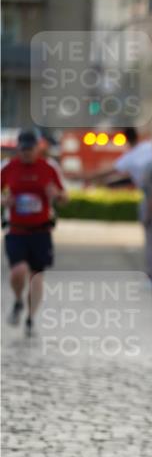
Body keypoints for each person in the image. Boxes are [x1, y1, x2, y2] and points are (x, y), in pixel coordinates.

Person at [1, 129, 67, 334]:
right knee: (18, 271)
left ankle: (30, 318)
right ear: (18, 149)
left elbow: (64, 198)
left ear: (37, 148)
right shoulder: (8, 167)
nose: (26, 153)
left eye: (30, 149)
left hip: (41, 231)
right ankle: (18, 300)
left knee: (36, 277)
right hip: (16, 230)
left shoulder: (49, 167)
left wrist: (57, 195)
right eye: (23, 150)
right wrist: (4, 200)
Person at [85, 126, 152, 285]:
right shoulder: (148, 146)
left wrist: (88, 176)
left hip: (149, 196)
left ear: (126, 139)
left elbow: (111, 170)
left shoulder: (130, 157)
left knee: (150, 239)